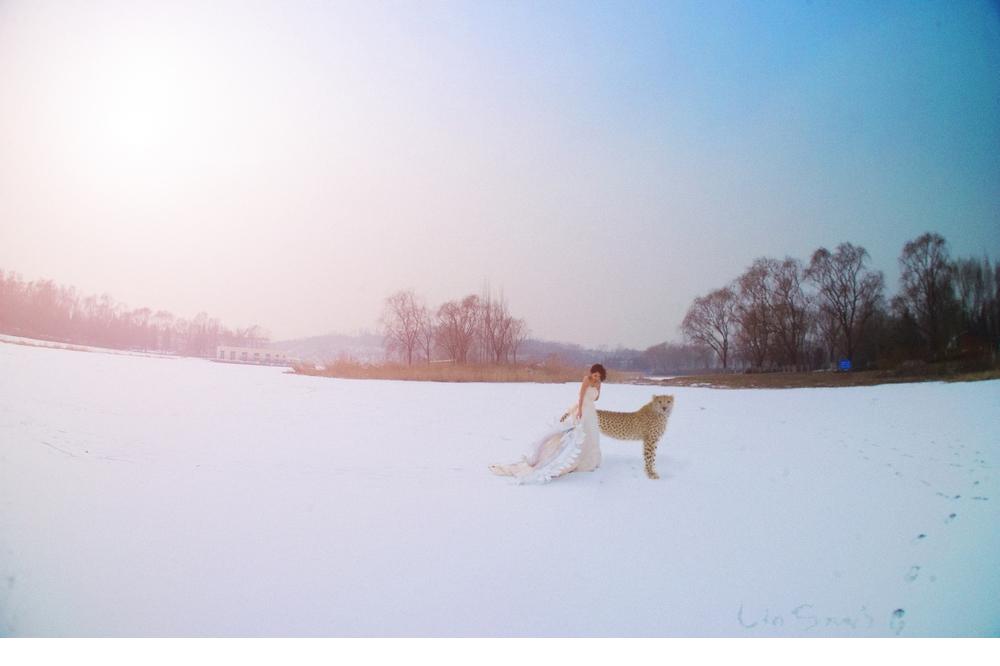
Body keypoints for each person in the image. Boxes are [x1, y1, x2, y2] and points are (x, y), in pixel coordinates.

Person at [489, 364, 606, 484]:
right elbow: (581, 396)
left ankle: (588, 458)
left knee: (591, 434)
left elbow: (596, 398)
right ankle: (569, 457)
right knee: (578, 435)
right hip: (583, 410)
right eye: (595, 374)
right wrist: (580, 409)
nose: (596, 377)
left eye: (599, 376)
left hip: (591, 411)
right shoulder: (587, 379)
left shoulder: (598, 383)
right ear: (592, 372)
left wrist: (597, 386)